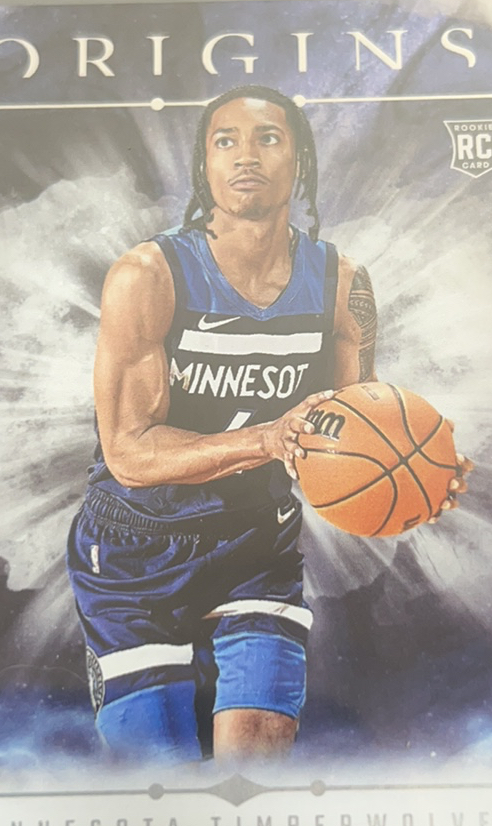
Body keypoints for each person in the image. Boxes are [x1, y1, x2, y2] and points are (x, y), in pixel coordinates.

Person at [66, 85, 470, 765]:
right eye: (225, 141)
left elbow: (354, 432)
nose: (245, 156)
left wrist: (420, 475)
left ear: (300, 161)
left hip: (257, 541)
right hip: (135, 549)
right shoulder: (148, 275)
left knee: (251, 784)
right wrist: (267, 438)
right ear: (204, 165)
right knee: (159, 785)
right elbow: (130, 452)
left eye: (268, 139)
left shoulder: (342, 284)